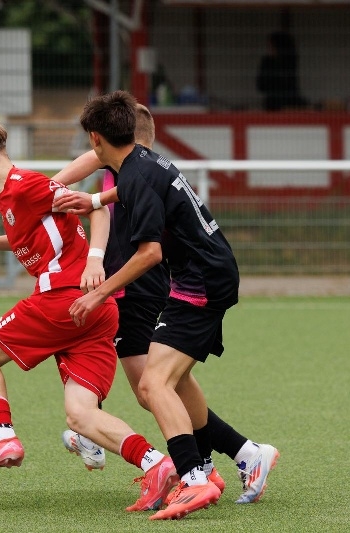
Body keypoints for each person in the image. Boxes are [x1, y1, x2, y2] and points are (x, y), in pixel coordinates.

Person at [54, 90, 278, 520]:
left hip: (200, 281)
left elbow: (150, 254)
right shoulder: (141, 162)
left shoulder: (134, 174)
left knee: (152, 385)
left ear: (96, 139)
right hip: (204, 273)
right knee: (169, 382)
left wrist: (98, 292)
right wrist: (95, 200)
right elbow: (134, 190)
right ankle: (229, 461)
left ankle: (194, 477)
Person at [0, 117, 181, 513]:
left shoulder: (28, 186)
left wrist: (95, 260)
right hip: (97, 311)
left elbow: (97, 210)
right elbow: (28, 236)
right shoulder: (6, 197)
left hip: (62, 300)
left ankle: (3, 438)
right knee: (81, 415)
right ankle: (156, 464)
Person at [256, 31, 306, 111]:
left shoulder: (289, 62)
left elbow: (289, 84)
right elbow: (261, 85)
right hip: (272, 103)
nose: (269, 49)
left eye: (271, 46)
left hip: (289, 103)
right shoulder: (266, 62)